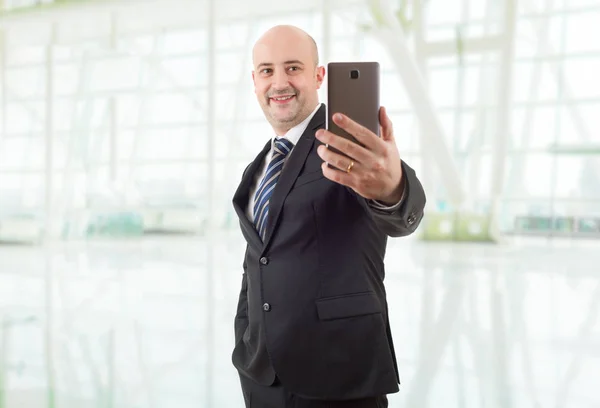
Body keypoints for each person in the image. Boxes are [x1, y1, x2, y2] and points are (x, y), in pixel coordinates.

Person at [231, 25, 426, 408]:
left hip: (339, 377)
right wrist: (245, 340)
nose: (280, 82)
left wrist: (392, 187)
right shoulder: (258, 167)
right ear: (255, 81)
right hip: (262, 379)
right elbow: (259, 261)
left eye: (293, 68)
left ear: (319, 76)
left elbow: (400, 203)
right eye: (267, 71)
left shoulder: (347, 146)